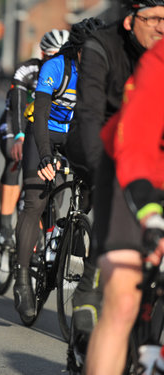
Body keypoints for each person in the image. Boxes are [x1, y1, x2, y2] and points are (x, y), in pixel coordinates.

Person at [65, 0, 164, 369]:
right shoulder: (104, 47)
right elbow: (92, 116)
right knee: (123, 299)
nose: (160, 27)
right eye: (153, 18)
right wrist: (100, 175)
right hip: (114, 150)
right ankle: (89, 289)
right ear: (129, 20)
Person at [12, 18, 104, 321]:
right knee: (35, 201)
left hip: (77, 134)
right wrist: (45, 157)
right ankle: (23, 279)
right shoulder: (57, 67)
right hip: (45, 131)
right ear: (77, 51)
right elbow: (38, 116)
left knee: (95, 185)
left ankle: (71, 229)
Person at [0, 29, 69, 252]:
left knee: (57, 176)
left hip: (47, 127)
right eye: (53, 56)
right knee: (15, 157)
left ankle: (42, 229)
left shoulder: (70, 72)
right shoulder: (28, 69)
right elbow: (17, 105)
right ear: (43, 54)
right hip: (17, 122)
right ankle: (5, 226)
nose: (58, 61)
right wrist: (19, 136)